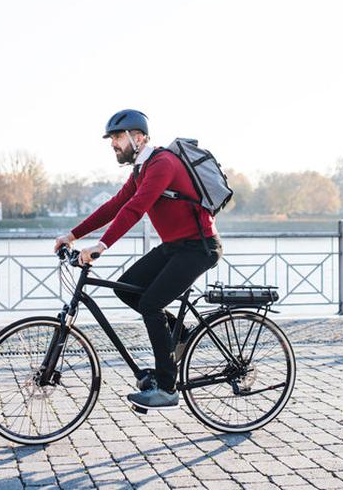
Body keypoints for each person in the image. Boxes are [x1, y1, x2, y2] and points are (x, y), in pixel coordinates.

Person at [54, 109, 223, 409]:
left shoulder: (162, 164)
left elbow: (136, 209)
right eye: (112, 139)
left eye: (117, 137)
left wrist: (101, 246)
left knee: (150, 304)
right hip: (175, 246)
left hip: (199, 248)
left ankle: (167, 388)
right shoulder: (141, 170)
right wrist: (72, 235)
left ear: (139, 137)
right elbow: (116, 206)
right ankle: (179, 334)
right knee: (125, 287)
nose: (113, 144)